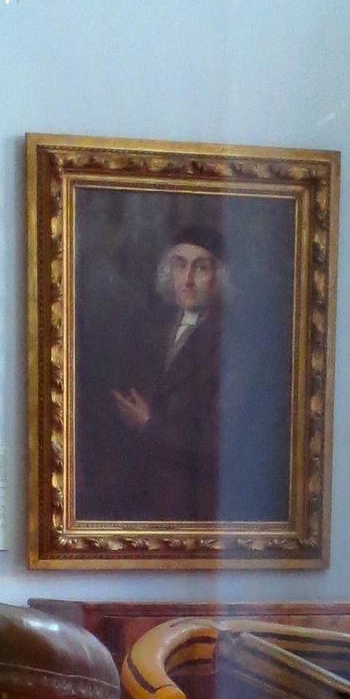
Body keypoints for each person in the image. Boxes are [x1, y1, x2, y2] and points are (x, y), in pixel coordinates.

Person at [76, 215, 288, 525]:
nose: (187, 279)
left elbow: (222, 443)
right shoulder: (156, 328)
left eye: (201, 268)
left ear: (221, 277)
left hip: (194, 506)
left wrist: (148, 424)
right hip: (142, 496)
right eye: (179, 265)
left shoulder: (237, 343)